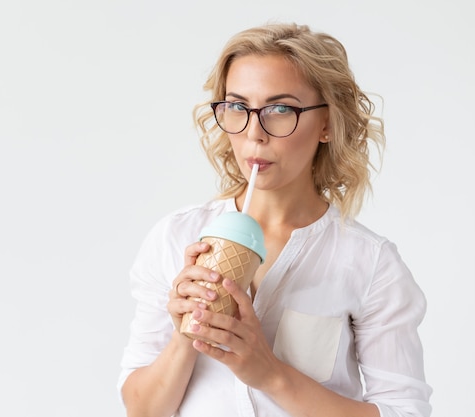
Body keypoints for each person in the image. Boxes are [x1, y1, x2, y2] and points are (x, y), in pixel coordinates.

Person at [118, 22, 432, 417]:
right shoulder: (175, 237)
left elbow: (404, 412)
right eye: (237, 107)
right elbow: (142, 410)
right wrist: (187, 333)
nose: (254, 133)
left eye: (280, 109)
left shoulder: (370, 264)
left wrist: (270, 375)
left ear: (326, 124)